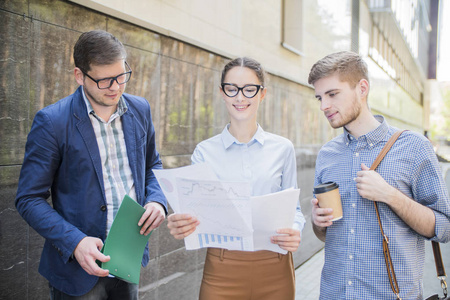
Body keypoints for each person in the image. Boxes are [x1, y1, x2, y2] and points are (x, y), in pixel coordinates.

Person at [15, 30, 167, 299]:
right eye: (105, 80)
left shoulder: (141, 109)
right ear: (79, 75)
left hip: (128, 259)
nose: (116, 87)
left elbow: (153, 165)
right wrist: (75, 242)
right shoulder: (52, 122)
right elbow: (28, 198)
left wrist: (157, 200)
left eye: (122, 76)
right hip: (77, 272)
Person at [308, 51, 450, 299]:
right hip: (334, 293)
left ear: (362, 88)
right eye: (319, 97)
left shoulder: (414, 147)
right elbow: (324, 235)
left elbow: (444, 228)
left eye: (332, 94)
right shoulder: (327, 154)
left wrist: (391, 196)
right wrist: (318, 223)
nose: (324, 106)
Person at [167, 57, 305, 300]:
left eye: (249, 90)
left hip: (276, 263)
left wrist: (295, 230)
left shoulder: (283, 149)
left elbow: (293, 208)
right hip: (222, 267)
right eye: (232, 89)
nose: (240, 98)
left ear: (262, 94)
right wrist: (182, 224)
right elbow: (196, 214)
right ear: (222, 93)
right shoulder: (204, 152)